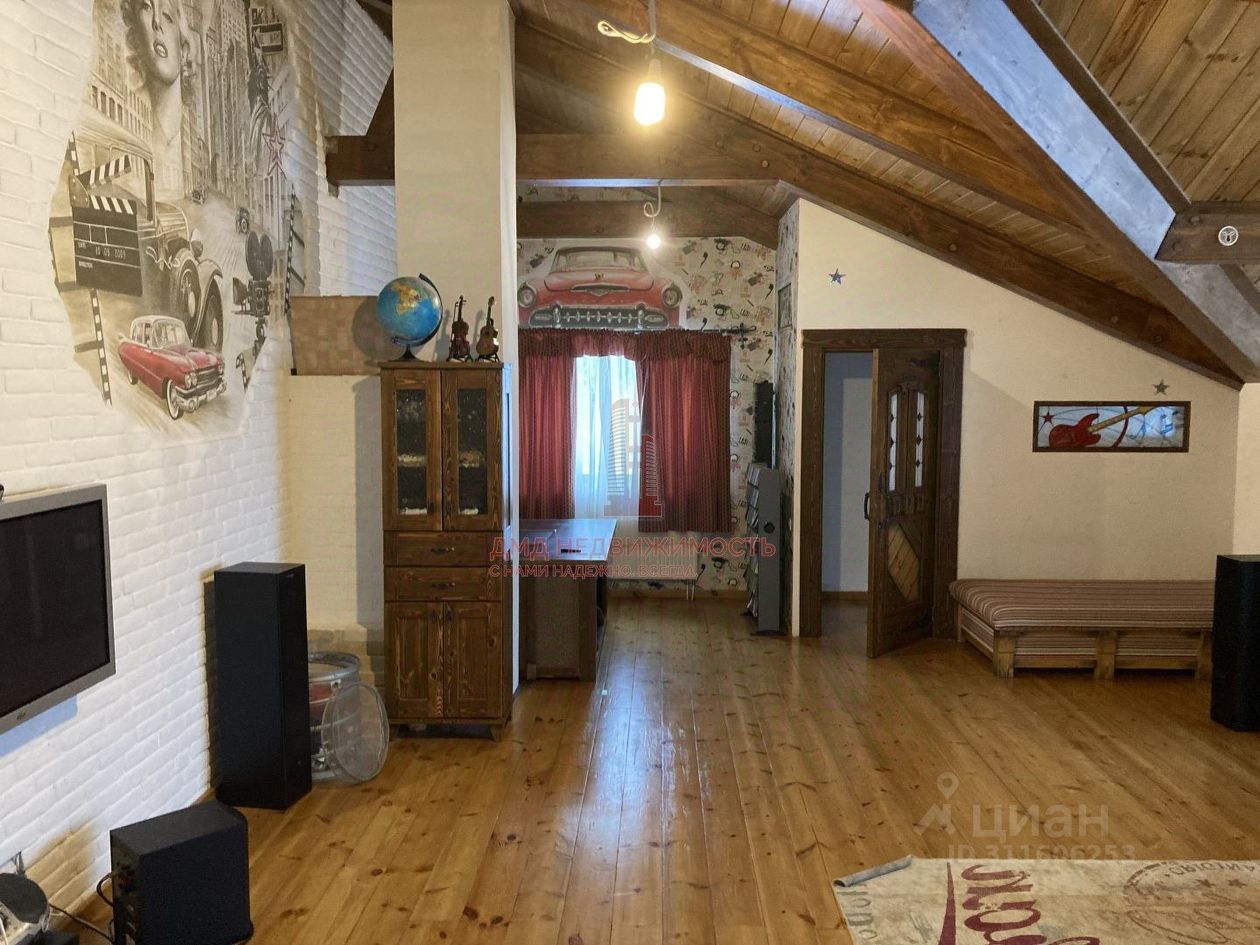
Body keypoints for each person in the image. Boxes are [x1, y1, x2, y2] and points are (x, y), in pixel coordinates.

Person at [119, 0, 196, 198]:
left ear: (183, 51)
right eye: (146, 7)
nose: (157, 22)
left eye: (167, 16)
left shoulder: (187, 130)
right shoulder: (127, 110)